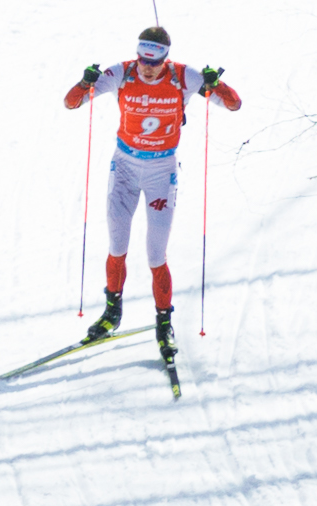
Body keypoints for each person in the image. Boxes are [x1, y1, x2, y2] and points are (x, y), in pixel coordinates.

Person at [63, 27, 242, 359]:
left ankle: (164, 325)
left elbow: (234, 105)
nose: (147, 68)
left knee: (155, 255)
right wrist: (85, 82)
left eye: (154, 62)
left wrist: (216, 85)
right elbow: (71, 103)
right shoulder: (122, 72)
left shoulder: (182, 76)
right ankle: (112, 313)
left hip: (161, 173)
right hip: (125, 169)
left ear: (165, 57)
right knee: (117, 246)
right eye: (143, 60)